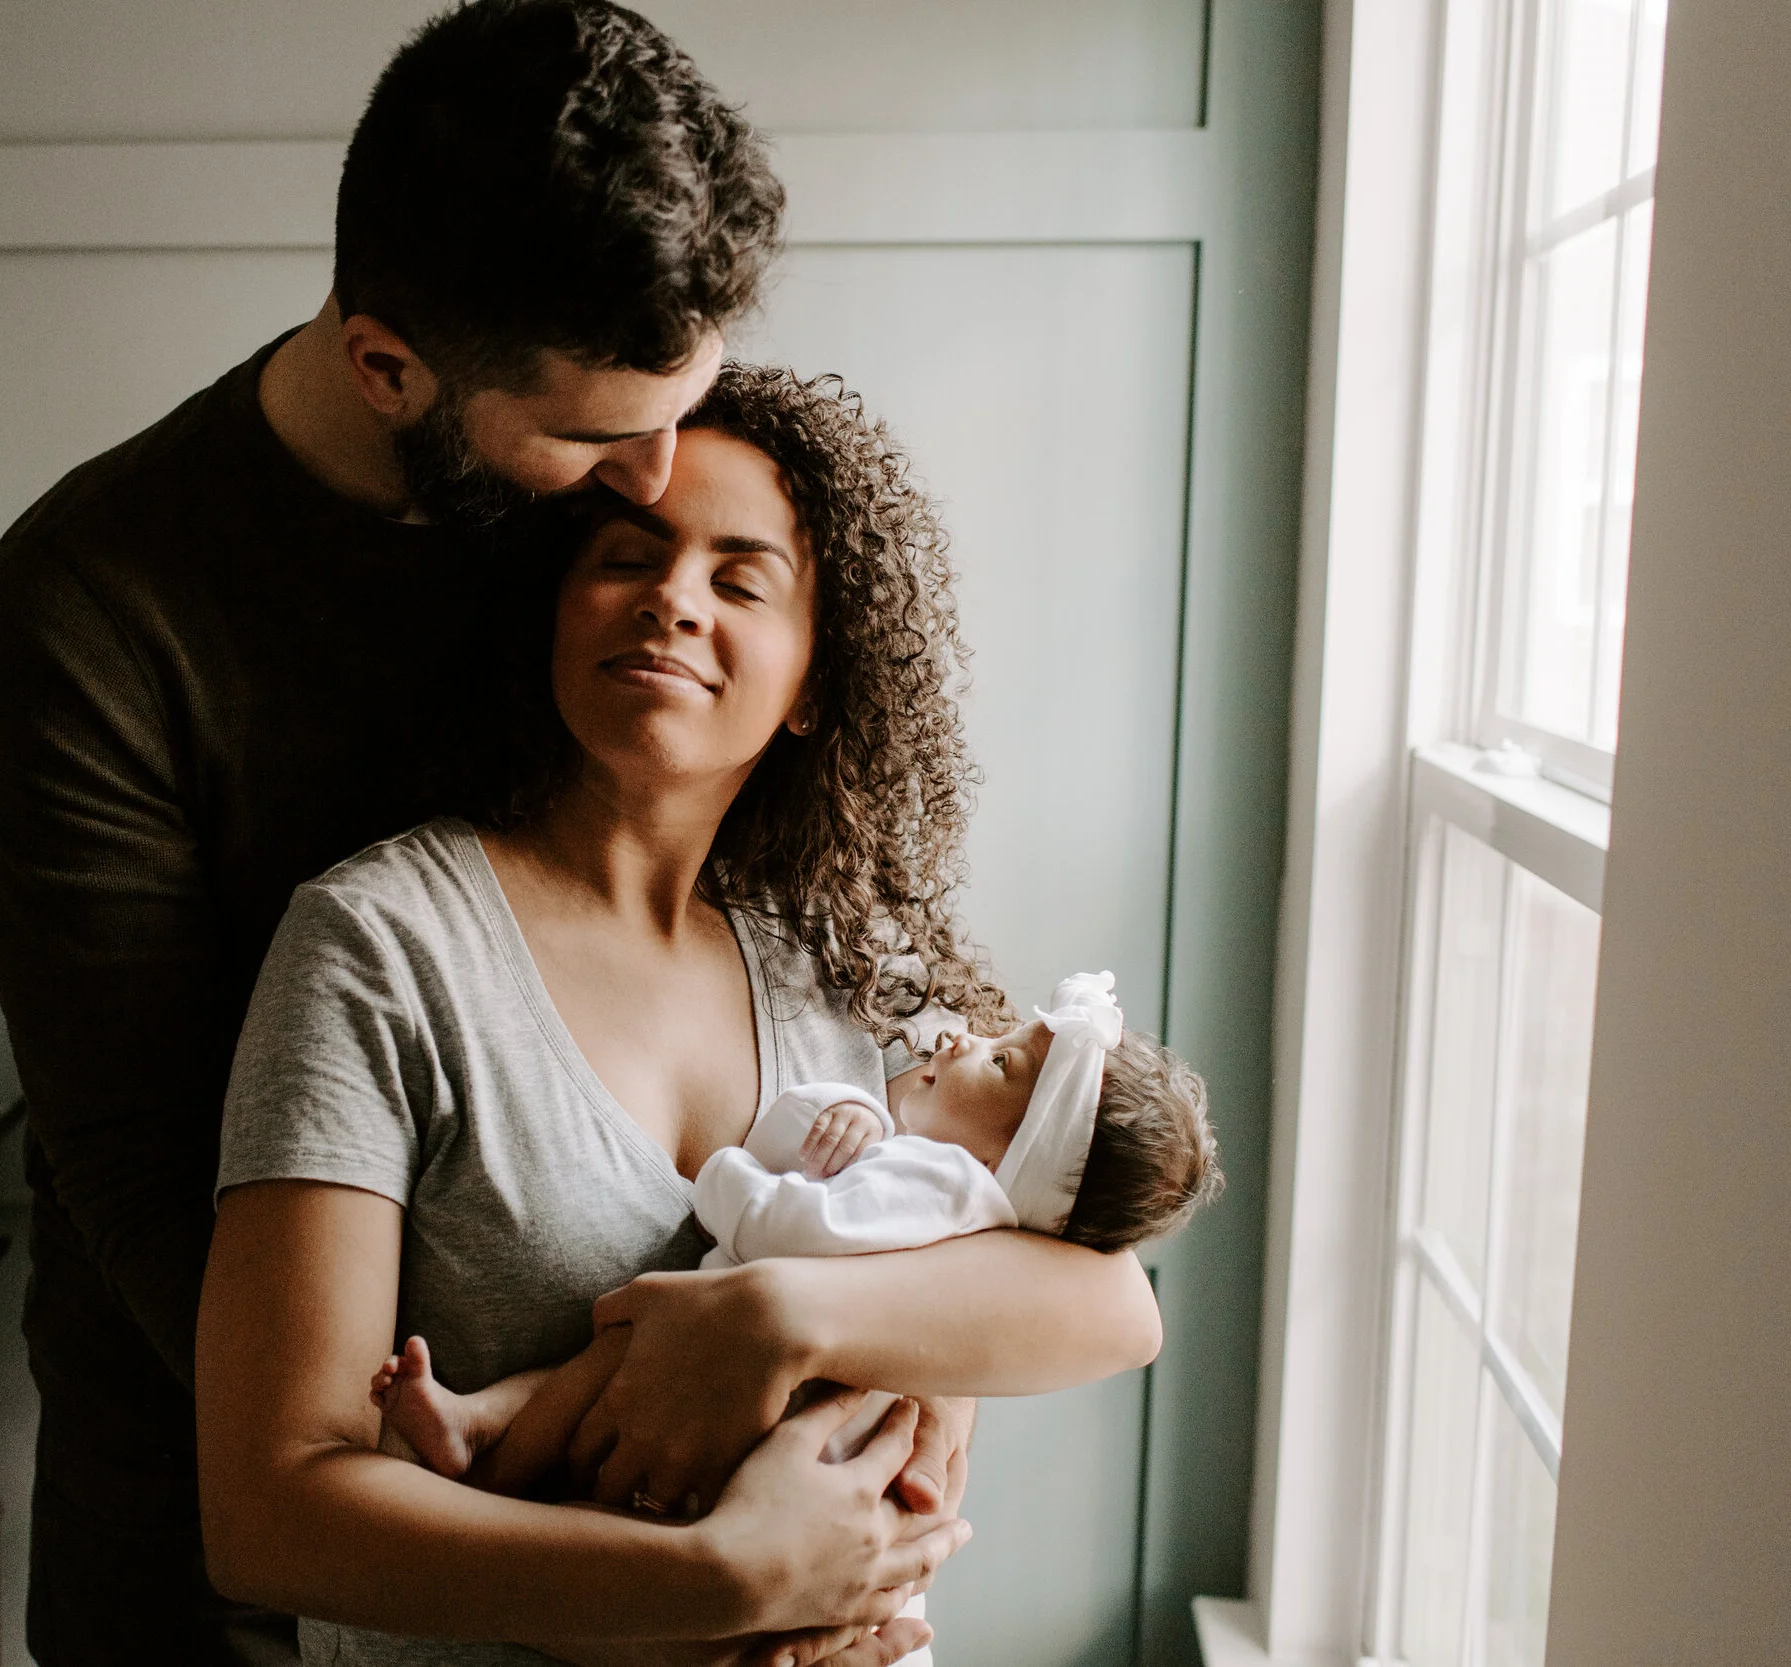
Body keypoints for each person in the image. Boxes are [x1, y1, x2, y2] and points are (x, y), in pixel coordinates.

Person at [0, 7, 790, 1662]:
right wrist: (437, 1468)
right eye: (594, 437)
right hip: (215, 1497)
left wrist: (841, 1357)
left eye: (683, 404)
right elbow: (135, 1173)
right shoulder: (88, 614)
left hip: (636, 1442)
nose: (655, 481)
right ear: (388, 366)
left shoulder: (622, 490)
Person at [198, 367, 1165, 1667]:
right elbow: (269, 1516)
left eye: (742, 576)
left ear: (817, 677)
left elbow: (1116, 1308)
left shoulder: (844, 965)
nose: (672, 598)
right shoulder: (382, 945)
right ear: (550, 607)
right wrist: (714, 1577)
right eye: (626, 557)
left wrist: (766, 1322)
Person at [367, 971, 1223, 1528]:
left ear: (1013, 1160)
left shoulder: (943, 1185)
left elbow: (791, 1229)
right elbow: (815, 1168)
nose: (963, 1037)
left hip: (788, 1411)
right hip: (784, 1419)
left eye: (1000, 1066)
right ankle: (479, 1437)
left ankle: (487, 1451)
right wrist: (844, 1123)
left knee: (615, 1363)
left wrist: (728, 1175)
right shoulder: (935, 1175)